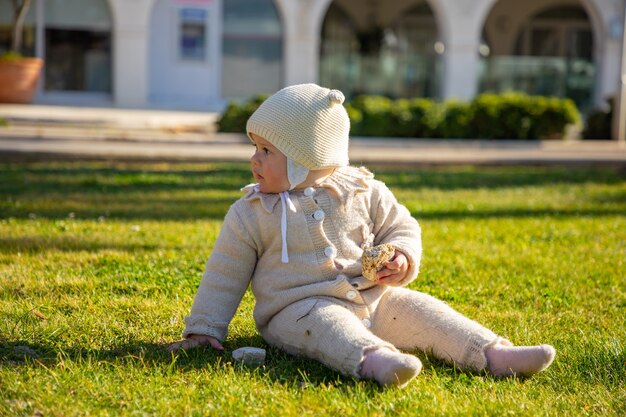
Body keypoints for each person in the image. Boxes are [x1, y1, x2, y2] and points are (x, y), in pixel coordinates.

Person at [167, 83, 556, 387]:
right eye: (255, 148)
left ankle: (492, 353)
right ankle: (374, 360)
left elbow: (401, 226)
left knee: (424, 311)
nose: (255, 160)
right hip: (298, 310)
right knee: (329, 327)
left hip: (372, 297)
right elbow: (224, 273)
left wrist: (401, 255)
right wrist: (204, 328)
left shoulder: (364, 190)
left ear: (308, 158)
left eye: (267, 150)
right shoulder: (252, 213)